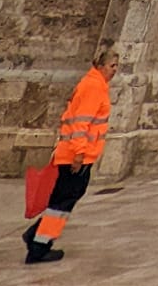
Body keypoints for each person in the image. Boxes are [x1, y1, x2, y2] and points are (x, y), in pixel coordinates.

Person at [24, 49, 119, 265]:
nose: (115, 70)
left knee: (65, 198)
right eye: (112, 65)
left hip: (76, 154)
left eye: (116, 66)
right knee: (63, 201)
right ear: (100, 66)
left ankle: (37, 237)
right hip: (75, 156)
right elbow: (80, 124)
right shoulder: (93, 87)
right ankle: (38, 245)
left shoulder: (96, 85)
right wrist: (79, 154)